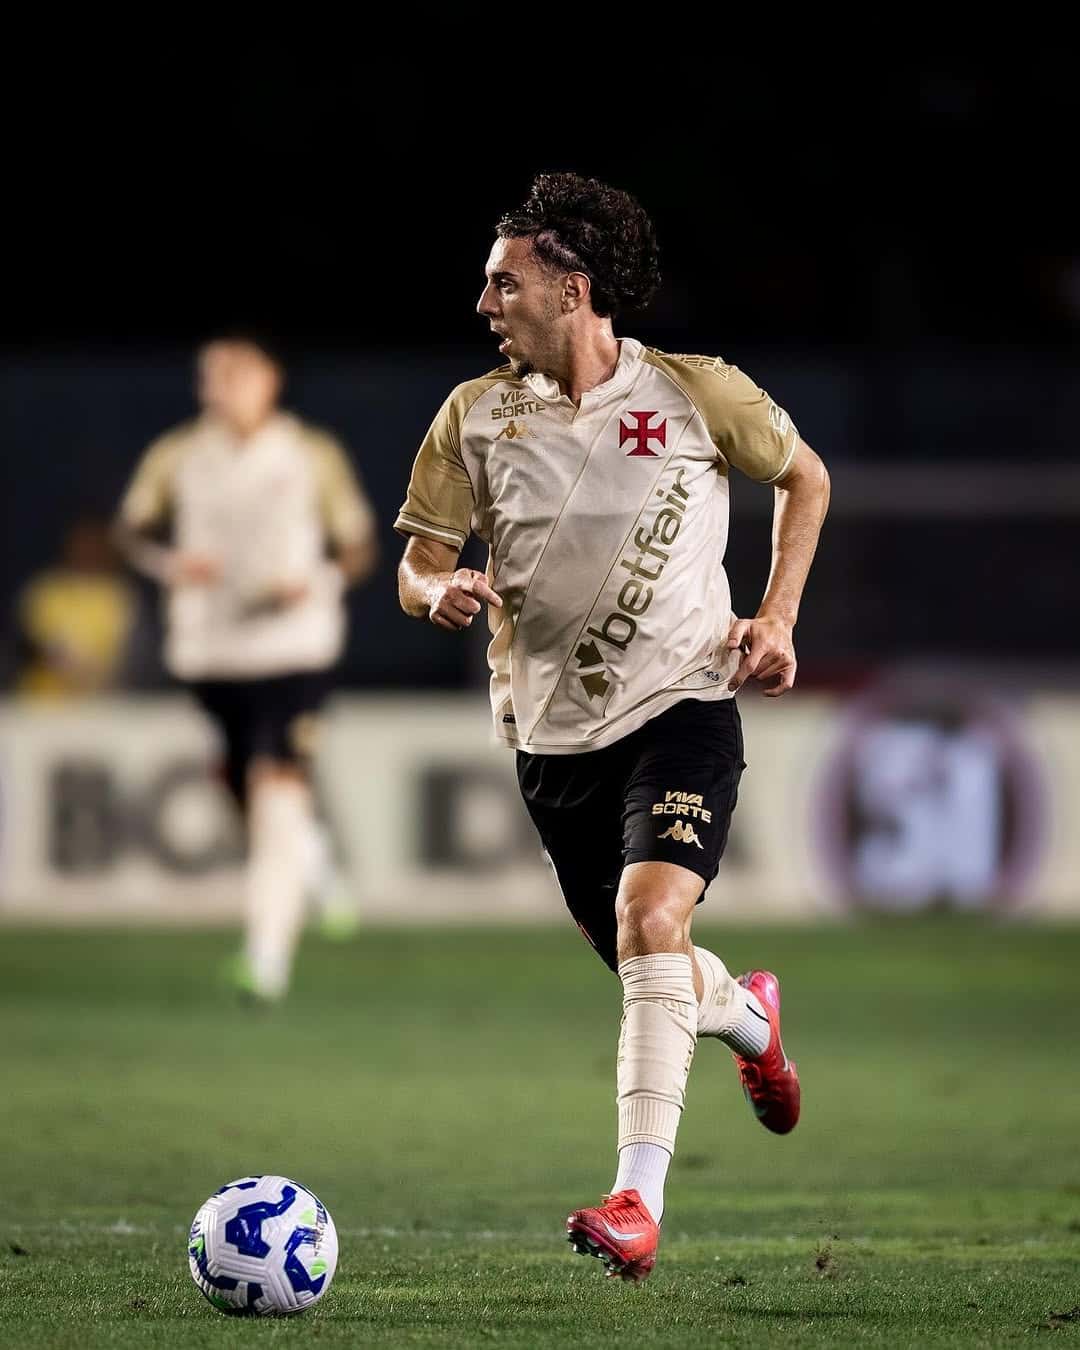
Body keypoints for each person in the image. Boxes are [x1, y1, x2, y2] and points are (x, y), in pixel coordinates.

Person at [396, 173, 830, 1281]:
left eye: (505, 281)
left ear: (571, 288)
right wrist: (429, 591)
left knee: (650, 922)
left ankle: (637, 1200)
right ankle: (747, 1017)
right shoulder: (473, 417)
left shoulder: (695, 394)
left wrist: (775, 618)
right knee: (657, 962)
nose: (484, 301)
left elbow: (806, 478)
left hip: (684, 707)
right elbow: (418, 561)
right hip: (550, 742)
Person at [114, 332, 378, 1000]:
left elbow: (357, 547)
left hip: (294, 647)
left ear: (270, 379)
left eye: (237, 373)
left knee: (277, 786)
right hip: (210, 649)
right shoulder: (178, 455)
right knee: (245, 790)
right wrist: (171, 564)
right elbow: (132, 530)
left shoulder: (308, 453)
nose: (223, 387)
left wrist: (313, 579)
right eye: (213, 376)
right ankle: (312, 859)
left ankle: (266, 959)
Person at [15, 515, 138, 699]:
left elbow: (131, 655)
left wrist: (97, 671)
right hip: (41, 702)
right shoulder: (44, 590)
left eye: (94, 543)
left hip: (101, 702)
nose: (87, 549)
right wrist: (56, 657)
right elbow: (27, 644)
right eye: (82, 543)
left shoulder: (120, 595)